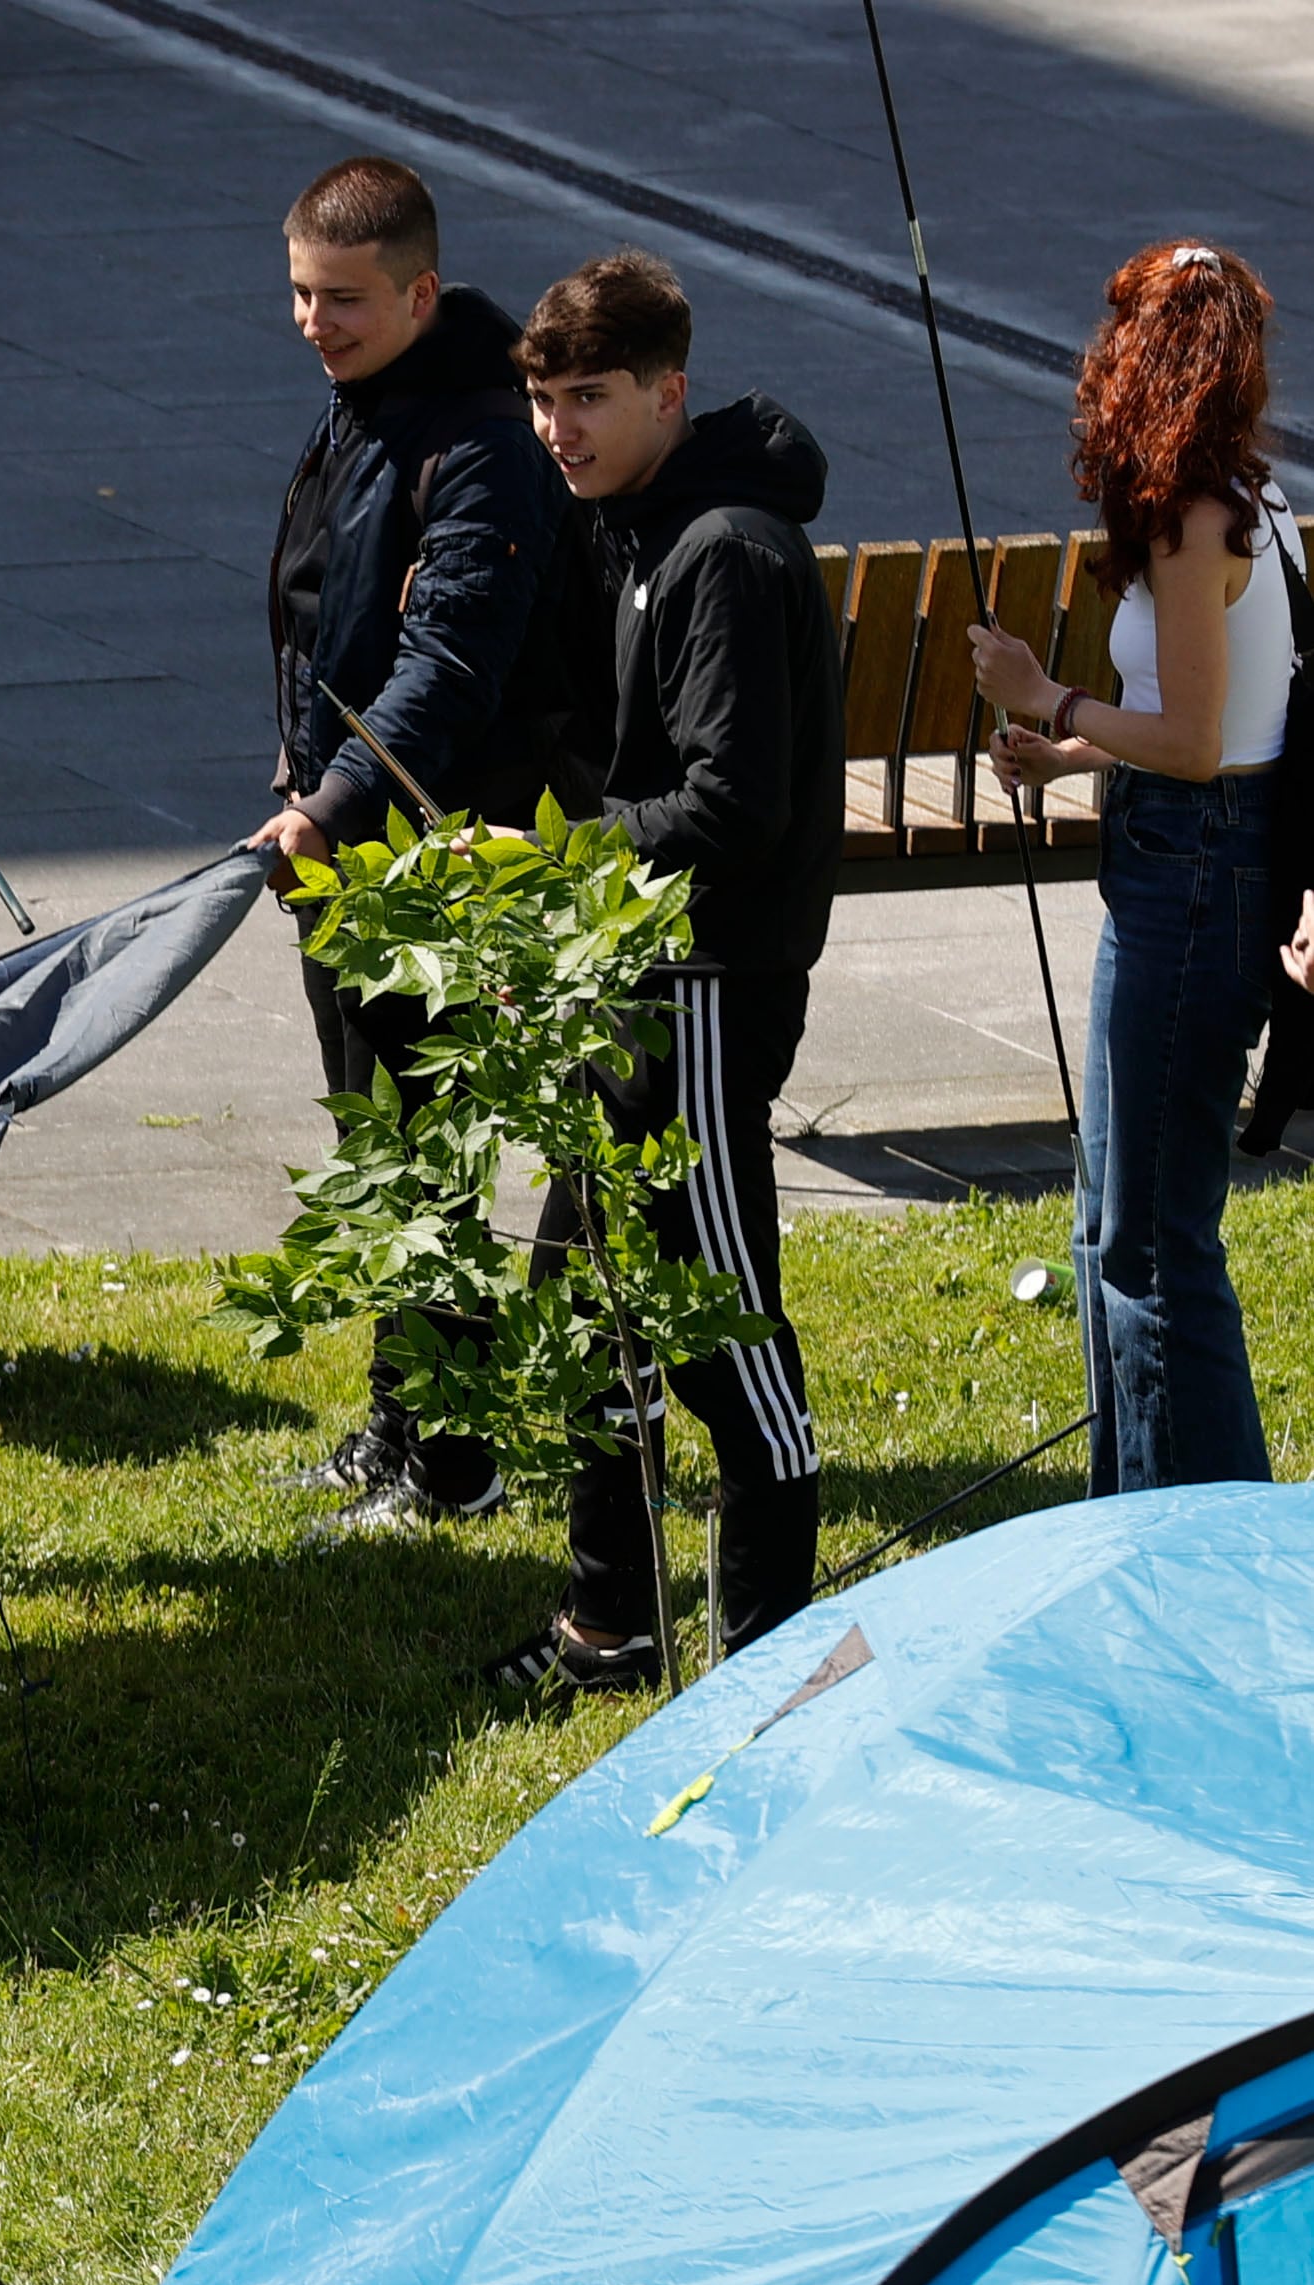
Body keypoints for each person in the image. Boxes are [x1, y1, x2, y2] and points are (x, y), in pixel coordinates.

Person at [489, 253, 842, 1698]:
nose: (557, 429)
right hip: (629, 977)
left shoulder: (721, 552)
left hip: (697, 989)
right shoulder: (625, 525)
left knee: (717, 1331)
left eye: (587, 398)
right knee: (583, 1302)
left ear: (666, 392)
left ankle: (767, 1662)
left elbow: (727, 806)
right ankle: (608, 1628)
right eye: (541, 402)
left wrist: (553, 852)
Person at [252, 155, 601, 1537]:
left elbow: (447, 661)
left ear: (420, 291)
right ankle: (403, 1420)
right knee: (378, 1141)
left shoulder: (471, 436)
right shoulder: (369, 402)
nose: (309, 323)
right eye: (295, 293)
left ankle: (452, 1463)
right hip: (347, 835)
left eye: (338, 299)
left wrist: (329, 799)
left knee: (419, 1148)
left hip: (431, 850)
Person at [976, 241, 1292, 1494]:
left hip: (1191, 876)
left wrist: (1045, 691)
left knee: (1149, 1248)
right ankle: (1133, 1515)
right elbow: (1215, 727)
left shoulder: (1189, 521)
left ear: (1142, 363)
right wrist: (1066, 755)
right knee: (1108, 1223)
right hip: (1195, 854)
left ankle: (1191, 1543)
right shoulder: (1242, 501)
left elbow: (1199, 746)